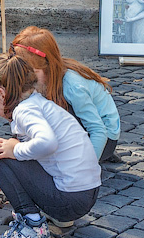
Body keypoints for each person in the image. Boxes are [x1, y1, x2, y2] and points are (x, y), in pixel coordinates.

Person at [0, 51, 102, 238]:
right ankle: (58, 218)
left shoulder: (24, 110)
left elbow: (47, 143)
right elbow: (43, 153)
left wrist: (15, 150)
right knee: (11, 148)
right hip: (87, 194)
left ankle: (32, 226)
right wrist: (8, 177)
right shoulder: (40, 103)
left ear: (1, 94)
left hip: (68, 199)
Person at [12, 26, 121, 164]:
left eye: (32, 73)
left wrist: (87, 167)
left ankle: (99, 154)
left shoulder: (73, 86)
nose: (26, 79)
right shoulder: (49, 76)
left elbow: (98, 130)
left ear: (47, 67)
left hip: (105, 138)